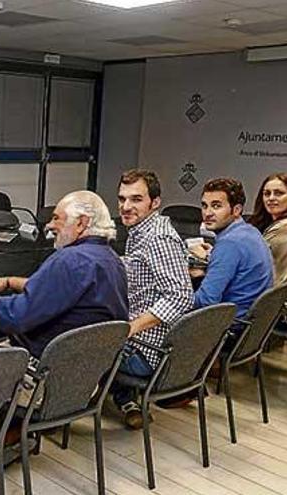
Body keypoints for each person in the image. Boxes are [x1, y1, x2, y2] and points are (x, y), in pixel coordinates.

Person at [0, 190, 128, 359]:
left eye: (56, 218)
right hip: (82, 372)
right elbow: (57, 291)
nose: (49, 225)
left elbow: (16, 317)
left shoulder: (70, 260)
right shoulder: (111, 259)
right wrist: (9, 281)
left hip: (37, 369)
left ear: (81, 223)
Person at [111, 169, 193, 429]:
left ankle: (51, 415)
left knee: (74, 334)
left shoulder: (157, 238)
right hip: (153, 344)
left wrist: (131, 328)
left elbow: (181, 297)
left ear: (155, 203)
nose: (126, 206)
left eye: (136, 199)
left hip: (145, 352)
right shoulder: (146, 230)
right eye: (122, 199)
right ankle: (125, 398)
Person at [190, 178, 273, 322]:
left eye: (216, 206)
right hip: (248, 321)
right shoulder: (250, 231)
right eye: (204, 206)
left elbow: (206, 302)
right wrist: (206, 269)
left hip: (228, 326)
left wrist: (175, 295)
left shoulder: (229, 243)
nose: (207, 213)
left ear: (236, 210)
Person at [248, 173, 287, 286]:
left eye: (279, 193)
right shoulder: (270, 224)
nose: (271, 198)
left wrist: (207, 256)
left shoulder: (284, 227)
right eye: (266, 193)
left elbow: (247, 261)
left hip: (279, 301)